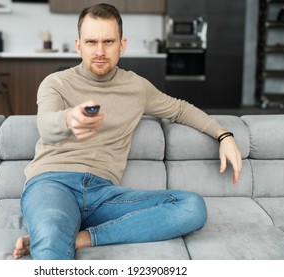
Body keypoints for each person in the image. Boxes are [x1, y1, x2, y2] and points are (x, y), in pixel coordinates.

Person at [13, 3, 242, 260]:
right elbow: (45, 124)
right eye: (91, 42)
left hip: (104, 193)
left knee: (192, 207)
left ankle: (81, 238)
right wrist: (69, 119)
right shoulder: (56, 83)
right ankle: (53, 238)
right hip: (51, 183)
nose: (99, 51)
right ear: (79, 45)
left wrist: (224, 135)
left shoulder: (137, 87)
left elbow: (180, 109)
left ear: (122, 45)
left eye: (108, 41)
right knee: (51, 234)